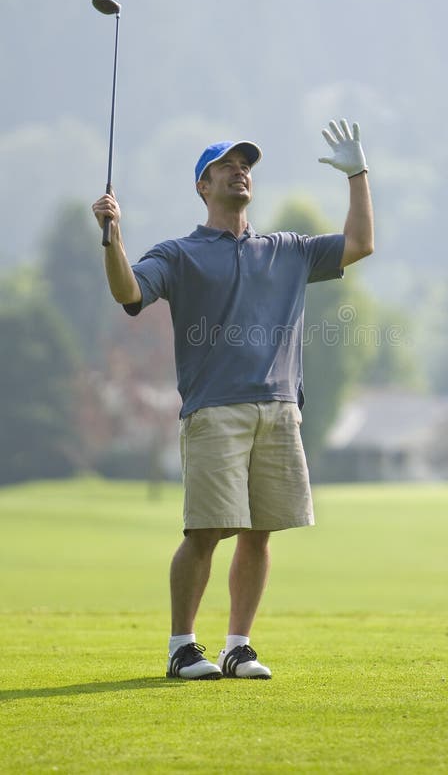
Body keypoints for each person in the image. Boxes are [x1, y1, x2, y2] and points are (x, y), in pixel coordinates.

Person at [92, 118, 374, 680]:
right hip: (214, 409)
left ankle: (238, 646)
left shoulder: (288, 250)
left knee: (259, 531)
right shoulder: (179, 253)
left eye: (245, 165)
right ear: (203, 184)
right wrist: (112, 236)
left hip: (279, 409)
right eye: (227, 166)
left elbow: (361, 244)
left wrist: (358, 175)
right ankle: (180, 647)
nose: (240, 172)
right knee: (204, 532)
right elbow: (128, 291)